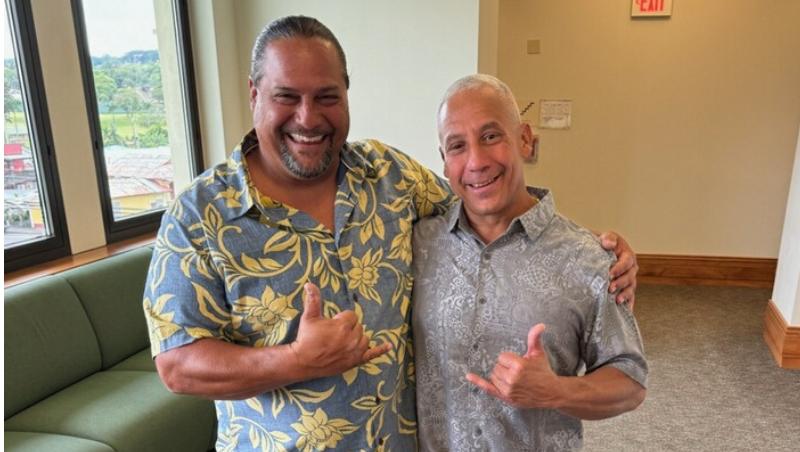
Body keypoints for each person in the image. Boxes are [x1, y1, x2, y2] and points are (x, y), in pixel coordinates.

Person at [142, 16, 639, 451]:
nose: (308, 118)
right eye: (286, 97)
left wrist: (588, 248)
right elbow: (178, 366)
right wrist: (292, 360)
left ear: (347, 96)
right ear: (254, 95)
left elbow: (484, 204)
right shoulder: (198, 216)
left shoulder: (389, 176)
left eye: (327, 97)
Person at [412, 74, 648, 451]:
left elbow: (630, 381)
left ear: (525, 139)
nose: (476, 161)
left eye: (490, 136)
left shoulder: (587, 258)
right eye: (457, 146)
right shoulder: (416, 243)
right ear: (443, 161)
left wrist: (556, 391)